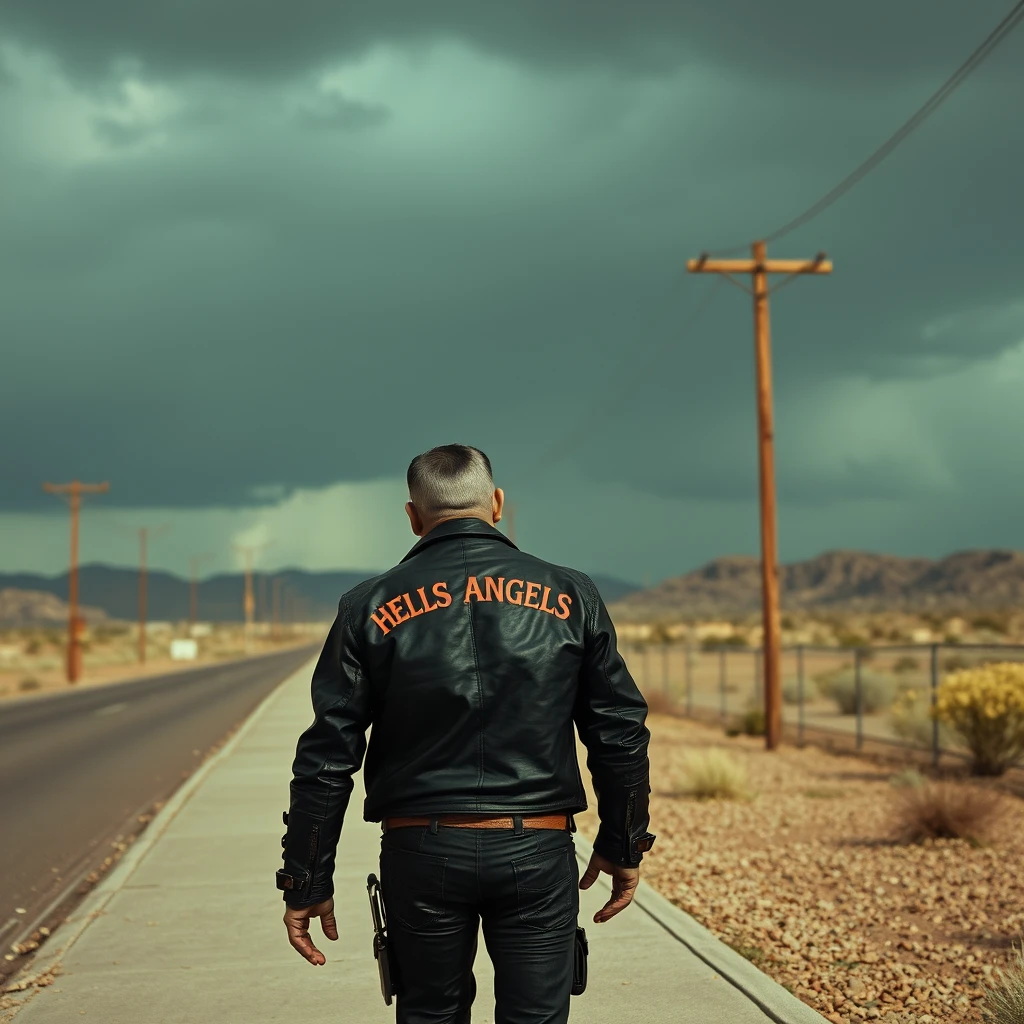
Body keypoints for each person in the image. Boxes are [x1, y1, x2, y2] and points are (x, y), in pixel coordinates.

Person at [277, 444, 654, 1024]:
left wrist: (306, 877)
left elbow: (328, 756)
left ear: (413, 516)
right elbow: (620, 731)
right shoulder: (571, 594)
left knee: (430, 1014)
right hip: (536, 846)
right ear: (497, 504)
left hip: (422, 853)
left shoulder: (366, 606)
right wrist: (623, 843)